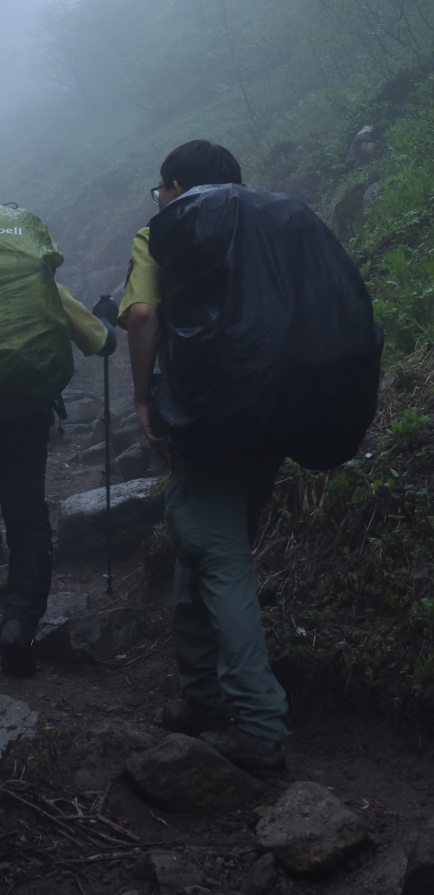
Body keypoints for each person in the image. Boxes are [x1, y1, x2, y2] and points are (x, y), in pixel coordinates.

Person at [119, 140, 290, 771]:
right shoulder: (273, 220)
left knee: (219, 556)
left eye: (159, 190)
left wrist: (142, 400)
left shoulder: (164, 228)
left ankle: (258, 722)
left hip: (206, 414)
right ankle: (203, 694)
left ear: (171, 185)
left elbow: (141, 314)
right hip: (276, 409)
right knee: (207, 538)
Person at [0, 285, 116, 677]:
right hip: (22, 413)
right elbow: (100, 342)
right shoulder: (41, 279)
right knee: (28, 517)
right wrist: (106, 315)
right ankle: (18, 624)